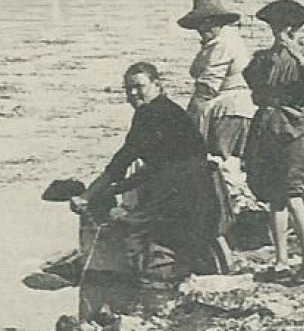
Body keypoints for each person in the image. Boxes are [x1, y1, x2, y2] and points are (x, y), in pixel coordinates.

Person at [72, 63, 222, 285]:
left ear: (157, 85)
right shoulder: (169, 109)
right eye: (128, 89)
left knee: (146, 253)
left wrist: (88, 196)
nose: (133, 94)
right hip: (204, 195)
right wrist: (113, 189)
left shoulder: (149, 114)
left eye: (139, 87)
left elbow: (122, 161)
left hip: (182, 198)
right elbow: (153, 168)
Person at [243, 0, 304, 285]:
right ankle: (280, 260)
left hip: (293, 131)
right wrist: (272, 57)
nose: (281, 34)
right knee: (274, 198)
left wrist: (298, 57)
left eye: (287, 29)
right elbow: (253, 82)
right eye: (277, 28)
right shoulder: (264, 58)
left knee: (294, 195)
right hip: (267, 130)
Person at [178, 0, 255, 160]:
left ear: (220, 22)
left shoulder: (224, 43)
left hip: (228, 112)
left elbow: (207, 88)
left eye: (210, 22)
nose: (203, 28)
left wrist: (185, 125)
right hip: (228, 111)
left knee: (220, 163)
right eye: (200, 23)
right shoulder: (213, 43)